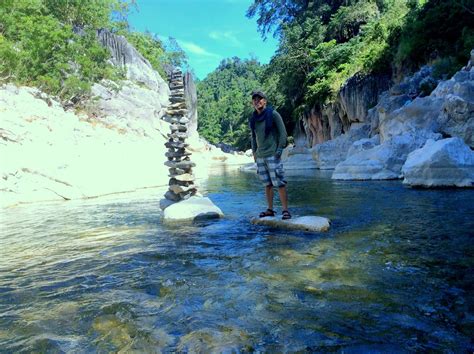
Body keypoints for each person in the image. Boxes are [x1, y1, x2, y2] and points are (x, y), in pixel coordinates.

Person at [249, 90, 291, 220]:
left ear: (265, 101)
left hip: (273, 154)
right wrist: (254, 153)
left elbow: (283, 133)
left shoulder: (273, 114)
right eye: (255, 100)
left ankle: (285, 210)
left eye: (259, 99)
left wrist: (279, 150)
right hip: (260, 155)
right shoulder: (253, 118)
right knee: (267, 184)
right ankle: (270, 210)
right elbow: (253, 136)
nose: (257, 102)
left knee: (279, 182)